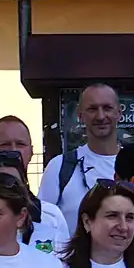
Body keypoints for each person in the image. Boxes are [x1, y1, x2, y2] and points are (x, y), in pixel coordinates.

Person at [41, 82, 125, 229]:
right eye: (92, 109)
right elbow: (43, 224)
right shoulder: (59, 167)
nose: (100, 116)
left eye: (107, 108)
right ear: (80, 115)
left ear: (119, 112)